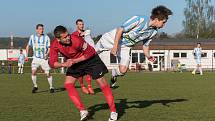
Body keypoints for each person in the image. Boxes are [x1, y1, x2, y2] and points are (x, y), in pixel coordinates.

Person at [49, 25, 118, 121]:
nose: (68, 38)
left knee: (101, 82)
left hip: (91, 60)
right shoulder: (54, 45)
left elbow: (90, 52)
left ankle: (113, 111)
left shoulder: (76, 40)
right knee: (68, 84)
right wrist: (64, 64)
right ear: (58, 39)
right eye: (65, 37)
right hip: (75, 62)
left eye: (68, 35)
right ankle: (83, 111)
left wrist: (75, 61)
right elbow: (52, 63)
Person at [96, 5, 173, 87]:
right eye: (163, 22)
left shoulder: (153, 32)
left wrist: (148, 56)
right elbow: (120, 30)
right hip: (112, 38)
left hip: (125, 47)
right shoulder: (139, 19)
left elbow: (145, 46)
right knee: (90, 54)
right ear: (157, 19)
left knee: (123, 71)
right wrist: (115, 46)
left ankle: (114, 73)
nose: (164, 25)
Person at [26, 24, 54, 93]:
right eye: (40, 29)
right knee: (33, 72)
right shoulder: (32, 37)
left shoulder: (46, 37)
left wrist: (47, 54)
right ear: (37, 30)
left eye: (42, 29)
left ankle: (51, 87)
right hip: (35, 58)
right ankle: (35, 86)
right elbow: (28, 46)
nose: (42, 30)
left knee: (47, 73)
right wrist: (26, 55)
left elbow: (49, 48)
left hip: (44, 59)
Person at [72, 19, 95, 94]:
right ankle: (82, 86)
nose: (81, 26)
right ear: (77, 25)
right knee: (80, 72)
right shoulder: (74, 34)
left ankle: (89, 87)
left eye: (82, 24)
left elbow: (90, 42)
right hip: (78, 56)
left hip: (86, 55)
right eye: (80, 24)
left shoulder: (86, 33)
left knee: (88, 71)